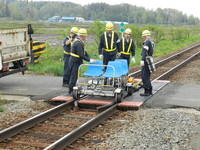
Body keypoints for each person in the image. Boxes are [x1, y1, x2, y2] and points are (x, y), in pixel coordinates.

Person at [67, 28, 96, 94]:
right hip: (74, 62)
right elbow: (81, 55)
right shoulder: (78, 43)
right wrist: (89, 60)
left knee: (75, 76)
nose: (86, 37)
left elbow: (84, 52)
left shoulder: (80, 42)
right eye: (85, 36)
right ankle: (71, 91)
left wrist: (89, 57)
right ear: (82, 36)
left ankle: (72, 89)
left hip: (76, 61)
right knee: (73, 77)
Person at [140, 30, 154, 96]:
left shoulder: (147, 42)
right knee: (147, 75)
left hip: (146, 60)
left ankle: (147, 91)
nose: (143, 37)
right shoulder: (150, 42)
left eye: (143, 36)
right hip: (149, 59)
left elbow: (145, 51)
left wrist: (142, 59)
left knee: (144, 75)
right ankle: (149, 90)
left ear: (145, 36)